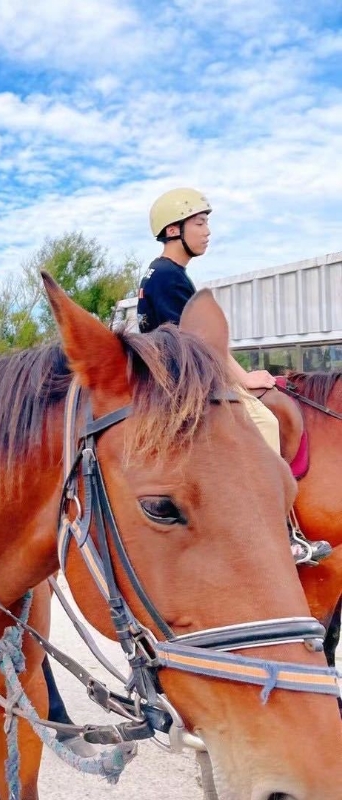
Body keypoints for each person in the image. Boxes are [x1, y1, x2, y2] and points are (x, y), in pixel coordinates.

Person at [138, 187, 330, 564]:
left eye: (207, 221)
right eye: (199, 221)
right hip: (185, 384)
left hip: (174, 380)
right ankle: (276, 531)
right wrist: (243, 379)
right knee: (263, 420)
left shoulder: (158, 274)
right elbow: (200, 343)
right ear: (174, 230)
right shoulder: (170, 277)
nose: (207, 230)